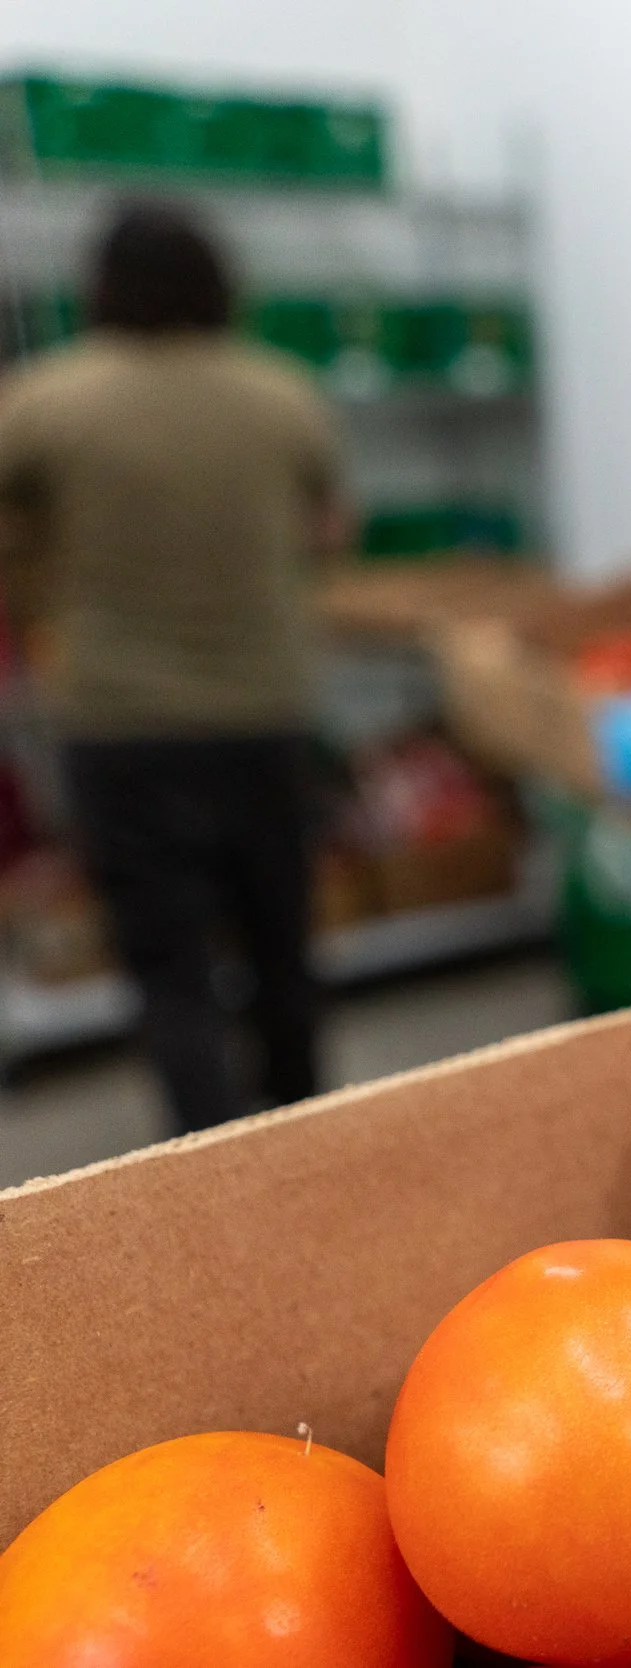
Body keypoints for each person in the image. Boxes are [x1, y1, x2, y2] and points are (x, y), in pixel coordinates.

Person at [0, 203, 348, 1131]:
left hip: (122, 722)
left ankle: (206, 1166)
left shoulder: (47, 399)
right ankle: (307, 1144)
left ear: (99, 287)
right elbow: (329, 532)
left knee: (170, 970)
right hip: (264, 710)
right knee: (283, 952)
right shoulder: (282, 393)